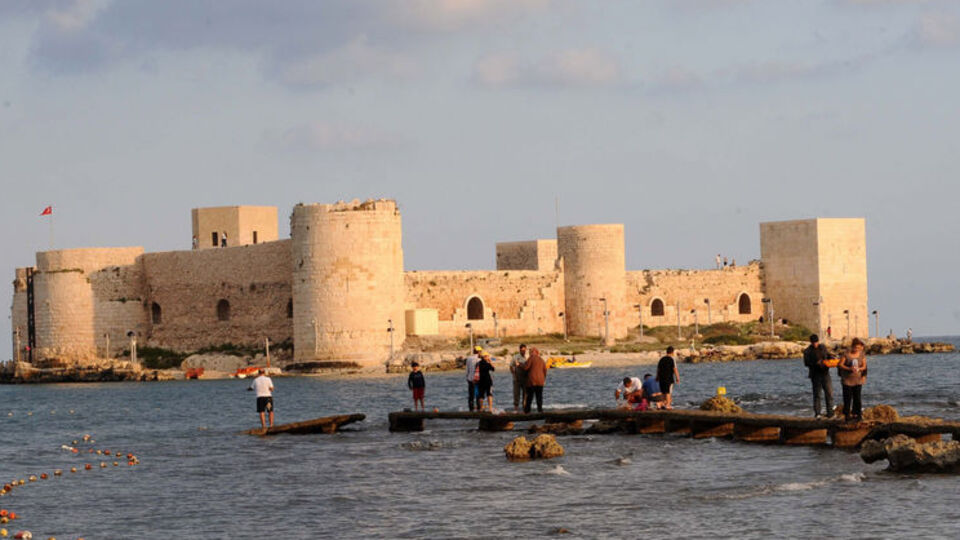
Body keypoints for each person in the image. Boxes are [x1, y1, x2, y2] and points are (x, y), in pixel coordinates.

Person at [803, 334, 834, 418]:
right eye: (813, 342)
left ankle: (830, 413)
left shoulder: (822, 347)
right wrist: (815, 363)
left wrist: (831, 358)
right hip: (815, 375)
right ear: (811, 342)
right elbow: (806, 363)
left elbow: (827, 355)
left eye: (816, 342)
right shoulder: (807, 351)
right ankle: (817, 413)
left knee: (829, 393)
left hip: (825, 373)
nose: (815, 344)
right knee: (817, 395)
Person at [838, 338, 868, 421]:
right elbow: (840, 364)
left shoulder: (862, 355)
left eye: (858, 348)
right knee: (847, 398)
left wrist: (860, 370)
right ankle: (847, 415)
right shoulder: (846, 354)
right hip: (847, 380)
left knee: (857, 398)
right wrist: (849, 368)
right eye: (855, 347)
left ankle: (857, 414)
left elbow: (864, 366)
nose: (857, 349)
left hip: (857, 380)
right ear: (852, 347)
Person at [522, 347, 548, 413]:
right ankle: (540, 410)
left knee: (529, 397)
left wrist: (519, 365)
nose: (529, 353)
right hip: (540, 381)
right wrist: (543, 379)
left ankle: (527, 412)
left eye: (530, 352)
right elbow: (545, 370)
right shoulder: (541, 360)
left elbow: (526, 367)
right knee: (539, 397)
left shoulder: (531, 358)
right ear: (537, 353)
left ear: (532, 352)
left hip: (531, 381)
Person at [510, 344, 528, 412]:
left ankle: (525, 408)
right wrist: (513, 374)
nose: (523, 351)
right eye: (522, 350)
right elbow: (511, 366)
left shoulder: (527, 357)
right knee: (516, 394)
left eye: (524, 350)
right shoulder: (515, 357)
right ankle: (516, 409)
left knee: (525, 394)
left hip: (525, 378)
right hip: (517, 378)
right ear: (519, 350)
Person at [465, 346, 482, 411]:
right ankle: (479, 408)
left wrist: (467, 377)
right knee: (478, 395)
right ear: (479, 352)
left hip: (470, 379)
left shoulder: (469, 358)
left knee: (471, 395)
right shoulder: (480, 359)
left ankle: (471, 409)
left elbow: (467, 370)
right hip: (478, 379)